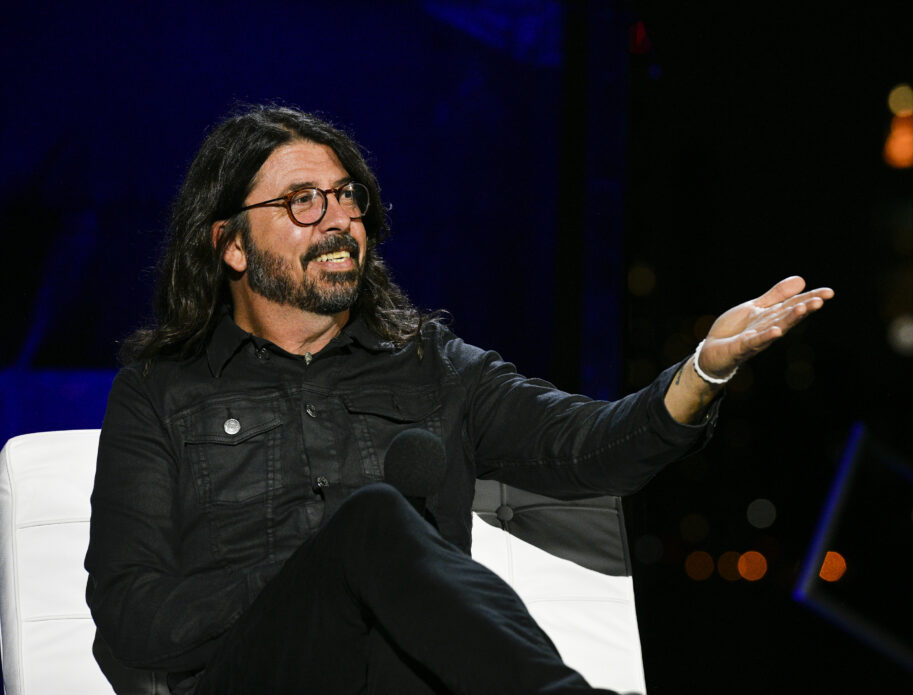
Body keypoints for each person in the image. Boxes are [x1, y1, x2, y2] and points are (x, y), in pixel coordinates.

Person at [84, 105, 833, 695]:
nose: (341, 219)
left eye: (348, 195)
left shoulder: (430, 365)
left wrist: (704, 367)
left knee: (407, 567)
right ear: (233, 244)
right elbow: (133, 614)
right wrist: (321, 568)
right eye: (304, 201)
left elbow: (589, 445)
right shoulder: (161, 391)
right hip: (258, 675)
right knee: (375, 520)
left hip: (411, 675)